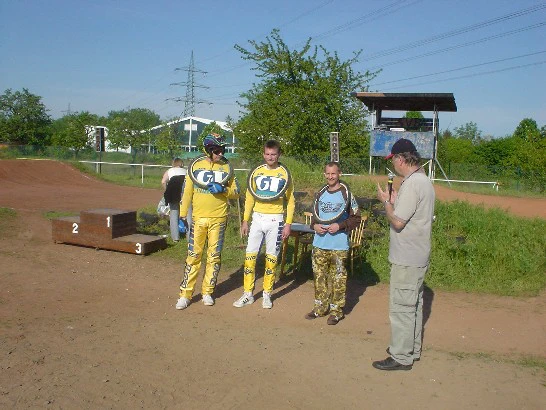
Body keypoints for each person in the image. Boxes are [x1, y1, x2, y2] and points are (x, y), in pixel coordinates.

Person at [372, 138, 435, 371]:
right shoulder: (423, 181)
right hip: (417, 255)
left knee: (401, 307)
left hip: (407, 258)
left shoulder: (413, 183)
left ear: (400, 159)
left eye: (394, 161)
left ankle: (400, 356)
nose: (394, 166)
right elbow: (409, 214)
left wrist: (387, 203)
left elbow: (397, 222)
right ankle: (411, 349)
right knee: (413, 306)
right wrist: (396, 202)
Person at [175, 134, 240, 310]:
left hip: (219, 219)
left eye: (222, 150)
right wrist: (181, 217)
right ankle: (185, 294)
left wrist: (224, 189)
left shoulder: (227, 166)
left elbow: (237, 191)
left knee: (213, 257)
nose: (220, 153)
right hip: (198, 219)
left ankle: (207, 292)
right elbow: (186, 192)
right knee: (194, 256)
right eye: (216, 150)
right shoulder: (195, 165)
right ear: (208, 150)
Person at [232, 140, 295, 309]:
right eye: (267, 154)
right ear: (263, 154)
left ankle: (267, 294)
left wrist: (288, 224)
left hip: (276, 219)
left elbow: (290, 201)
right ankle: (247, 293)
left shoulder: (284, 173)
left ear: (279, 154)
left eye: (273, 154)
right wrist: (245, 220)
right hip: (257, 218)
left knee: (271, 259)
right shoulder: (257, 172)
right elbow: (250, 197)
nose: (270, 157)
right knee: (250, 258)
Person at [304, 162, 361, 325]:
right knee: (319, 277)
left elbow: (356, 218)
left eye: (333, 174)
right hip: (319, 244)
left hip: (339, 245)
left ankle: (336, 312)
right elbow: (314, 218)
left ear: (339, 174)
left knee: (338, 279)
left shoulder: (347, 194)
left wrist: (340, 226)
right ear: (324, 175)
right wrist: (314, 226)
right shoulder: (320, 194)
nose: (330, 177)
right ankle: (320, 308)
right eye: (327, 174)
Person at [161, 157, 186, 242]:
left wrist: (166, 191)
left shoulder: (170, 170)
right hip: (185, 194)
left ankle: (175, 238)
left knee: (174, 215)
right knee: (188, 215)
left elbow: (163, 182)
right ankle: (190, 237)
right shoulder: (186, 171)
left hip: (174, 194)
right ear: (181, 164)